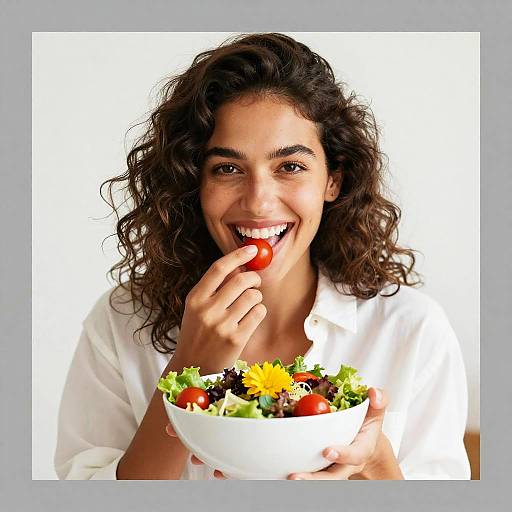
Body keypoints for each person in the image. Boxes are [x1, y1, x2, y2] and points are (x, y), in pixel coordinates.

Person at [54, 33, 471, 480]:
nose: (258, 202)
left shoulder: (410, 330)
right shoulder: (122, 321)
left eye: (290, 166)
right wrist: (189, 369)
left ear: (333, 180)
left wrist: (374, 464)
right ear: (195, 183)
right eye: (227, 169)